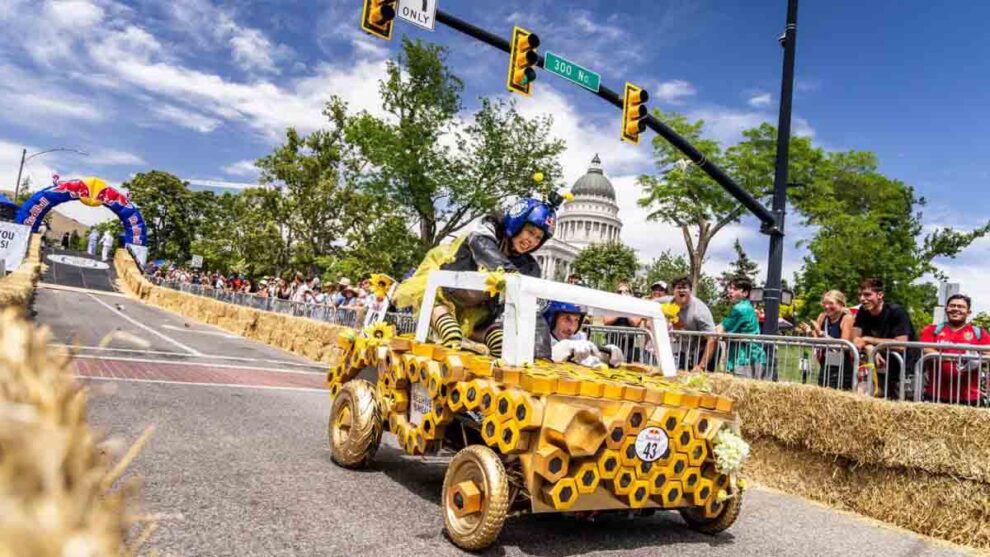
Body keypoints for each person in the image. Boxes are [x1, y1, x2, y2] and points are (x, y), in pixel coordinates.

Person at [394, 195, 563, 358]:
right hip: (451, 286)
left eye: (538, 238)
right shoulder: (489, 226)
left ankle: (489, 336)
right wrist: (508, 272)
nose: (531, 240)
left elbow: (532, 311)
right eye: (530, 232)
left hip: (481, 312)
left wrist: (542, 353)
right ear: (517, 223)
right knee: (436, 305)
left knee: (500, 334)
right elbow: (481, 244)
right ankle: (445, 322)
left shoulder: (530, 266)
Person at [918, 294, 988, 405]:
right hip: (935, 395)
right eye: (952, 306)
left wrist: (976, 361)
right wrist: (956, 358)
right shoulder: (932, 330)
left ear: (968, 312)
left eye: (961, 307)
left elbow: (988, 354)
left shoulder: (979, 333)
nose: (956, 309)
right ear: (946, 309)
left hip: (970, 397)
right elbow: (925, 349)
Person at [852, 278, 916, 399]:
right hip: (878, 369)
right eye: (860, 295)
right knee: (860, 394)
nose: (862, 299)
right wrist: (869, 347)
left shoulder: (896, 312)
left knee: (901, 405)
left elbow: (901, 345)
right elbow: (855, 340)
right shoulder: (862, 312)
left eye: (867, 295)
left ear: (880, 295)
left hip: (904, 370)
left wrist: (868, 340)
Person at [799, 290, 855, 389]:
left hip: (843, 367)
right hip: (825, 364)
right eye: (824, 303)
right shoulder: (822, 316)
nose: (826, 306)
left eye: (830, 303)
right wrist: (809, 332)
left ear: (841, 304)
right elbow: (817, 339)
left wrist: (822, 334)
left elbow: (844, 344)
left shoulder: (847, 318)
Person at [658, 276, 717, 372]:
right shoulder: (667, 301)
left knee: (700, 379)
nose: (681, 290)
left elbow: (713, 337)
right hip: (685, 350)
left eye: (685, 288)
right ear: (673, 291)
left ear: (690, 291)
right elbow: (647, 303)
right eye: (678, 288)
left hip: (704, 350)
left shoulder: (699, 310)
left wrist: (701, 366)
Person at [543, 301, 623, 368]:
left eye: (576, 320)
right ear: (551, 319)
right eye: (566, 319)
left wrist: (604, 356)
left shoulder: (578, 338)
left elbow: (591, 363)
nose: (571, 328)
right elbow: (543, 358)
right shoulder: (539, 338)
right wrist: (564, 348)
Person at [715, 278, 766, 378]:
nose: (730, 291)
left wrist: (712, 332)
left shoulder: (740, 309)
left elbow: (720, 330)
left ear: (745, 293)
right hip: (752, 357)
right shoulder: (747, 307)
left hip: (744, 359)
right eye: (730, 288)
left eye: (734, 289)